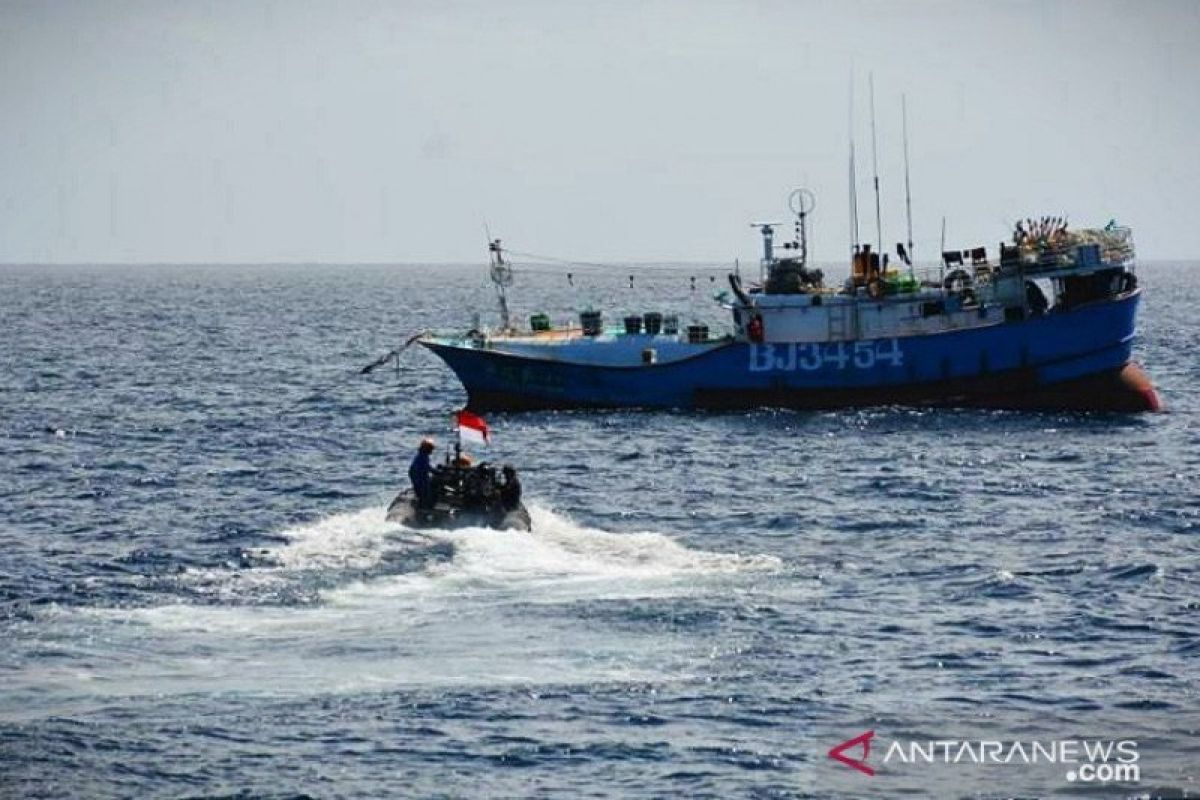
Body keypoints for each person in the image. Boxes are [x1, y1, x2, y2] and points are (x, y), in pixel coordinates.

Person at [409, 438, 436, 509]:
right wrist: (437, 472)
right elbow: (427, 468)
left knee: (423, 492)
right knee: (426, 494)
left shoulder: (420, 456)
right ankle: (425, 507)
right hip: (420, 478)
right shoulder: (423, 457)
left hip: (417, 477)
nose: (432, 451)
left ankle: (422, 504)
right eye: (431, 449)